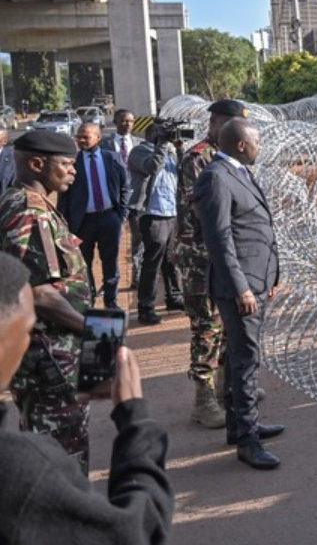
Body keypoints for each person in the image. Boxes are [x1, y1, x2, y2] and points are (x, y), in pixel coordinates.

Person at [0, 252, 174, 544]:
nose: (29, 340)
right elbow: (134, 532)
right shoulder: (20, 468)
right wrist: (136, 420)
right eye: (28, 329)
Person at [194, 119, 284, 470]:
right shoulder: (215, 176)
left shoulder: (238, 171)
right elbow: (218, 239)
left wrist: (271, 275)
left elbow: (256, 227)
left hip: (256, 278)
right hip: (240, 286)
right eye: (257, 141)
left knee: (237, 355)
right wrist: (241, 287)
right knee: (246, 359)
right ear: (241, 145)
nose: (260, 146)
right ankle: (248, 441)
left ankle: (239, 426)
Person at [0, 130, 92, 469]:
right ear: (37, 164)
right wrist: (92, 328)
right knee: (63, 459)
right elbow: (39, 293)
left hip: (44, 354)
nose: (73, 171)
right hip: (51, 358)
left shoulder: (20, 202)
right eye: (67, 164)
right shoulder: (29, 213)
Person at [174, 99, 245, 430]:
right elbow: (205, 211)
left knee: (228, 323)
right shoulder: (198, 157)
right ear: (216, 123)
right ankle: (203, 401)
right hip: (200, 256)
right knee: (206, 326)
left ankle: (223, 389)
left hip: (223, 253)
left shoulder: (228, 158)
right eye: (229, 124)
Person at [58, 123, 130, 310]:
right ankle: (88, 300)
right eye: (79, 136)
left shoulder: (112, 158)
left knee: (110, 261)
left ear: (98, 137)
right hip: (82, 222)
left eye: (86, 136)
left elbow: (124, 186)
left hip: (109, 218)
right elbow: (63, 194)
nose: (81, 140)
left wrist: (121, 213)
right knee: (83, 263)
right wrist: (65, 222)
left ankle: (111, 301)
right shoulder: (71, 162)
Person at [127, 125, 184, 326]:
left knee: (170, 259)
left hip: (171, 212)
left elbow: (181, 171)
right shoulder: (138, 152)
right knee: (153, 261)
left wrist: (178, 149)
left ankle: (174, 297)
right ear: (153, 135)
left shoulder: (168, 152)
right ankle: (145, 307)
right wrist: (161, 145)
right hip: (152, 213)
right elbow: (152, 167)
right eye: (163, 135)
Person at [101, 110, 144, 288]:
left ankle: (138, 277)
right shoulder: (104, 145)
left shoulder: (141, 145)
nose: (128, 124)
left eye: (131, 121)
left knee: (139, 242)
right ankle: (111, 280)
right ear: (115, 121)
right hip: (114, 201)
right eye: (124, 121)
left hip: (137, 199)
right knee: (113, 243)